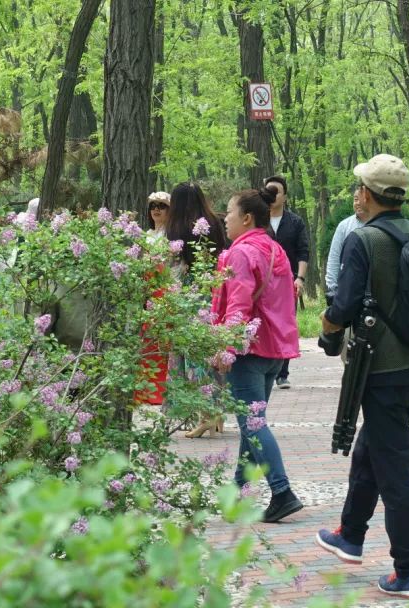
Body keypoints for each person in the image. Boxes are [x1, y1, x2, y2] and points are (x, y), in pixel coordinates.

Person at [314, 154, 409, 599]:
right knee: (371, 447)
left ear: (367, 193)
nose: (355, 197)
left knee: (394, 467)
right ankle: (351, 534)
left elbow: (343, 307)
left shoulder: (363, 240)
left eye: (357, 189)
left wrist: (326, 324)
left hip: (379, 369)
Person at [211, 187, 303, 523]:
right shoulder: (276, 250)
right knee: (252, 426)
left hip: (248, 352)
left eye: (230, 212)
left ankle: (282, 492)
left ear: (247, 218)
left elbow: (238, 304)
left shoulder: (240, 253)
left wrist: (227, 347)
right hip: (275, 350)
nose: (225, 218)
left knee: (253, 424)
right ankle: (237, 495)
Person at [165, 183, 228, 437]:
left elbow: (173, 267)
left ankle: (205, 415)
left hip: (187, 297)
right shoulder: (215, 222)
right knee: (210, 352)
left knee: (192, 355)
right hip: (212, 293)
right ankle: (217, 413)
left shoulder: (176, 227)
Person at [263, 175, 308, 389]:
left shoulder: (295, 222)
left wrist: (300, 278)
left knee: (285, 324)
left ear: (285, 196)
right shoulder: (257, 221)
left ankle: (282, 373)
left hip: (287, 282)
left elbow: (303, 252)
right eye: (268, 191)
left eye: (276, 192)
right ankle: (265, 370)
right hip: (262, 283)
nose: (272, 196)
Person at [325, 188, 370, 305]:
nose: (358, 203)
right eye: (355, 199)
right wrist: (332, 287)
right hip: (347, 289)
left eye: (362, 199)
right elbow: (334, 256)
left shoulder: (379, 224)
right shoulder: (344, 226)